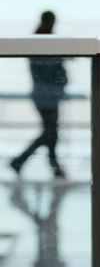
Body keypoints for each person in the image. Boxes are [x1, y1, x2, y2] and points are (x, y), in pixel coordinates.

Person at [10, 11, 67, 179]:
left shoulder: (35, 40)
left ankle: (47, 164)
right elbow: (52, 68)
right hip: (49, 94)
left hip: (42, 93)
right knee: (51, 132)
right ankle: (44, 163)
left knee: (50, 132)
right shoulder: (48, 41)